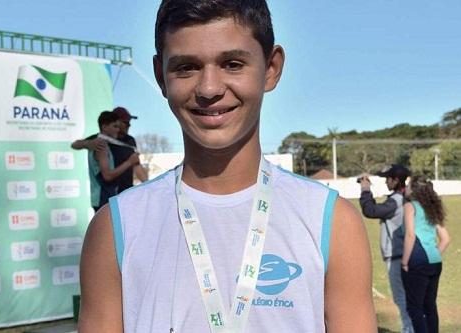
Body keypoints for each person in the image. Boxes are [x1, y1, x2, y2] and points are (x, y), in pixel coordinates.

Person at [79, 1, 377, 332]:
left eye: (232, 64)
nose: (209, 88)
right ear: (160, 76)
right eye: (186, 67)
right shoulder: (114, 227)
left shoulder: (333, 222)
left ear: (271, 68)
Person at [359, 164, 414, 333]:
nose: (386, 182)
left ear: (396, 180)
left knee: (401, 298)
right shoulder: (404, 199)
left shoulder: (395, 201)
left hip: (396, 256)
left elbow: (370, 210)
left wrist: (366, 190)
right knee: (411, 298)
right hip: (407, 254)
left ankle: (409, 329)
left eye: (388, 179)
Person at [401, 175, 450, 333]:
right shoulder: (431, 208)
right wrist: (434, 255)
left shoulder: (410, 206)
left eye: (408, 185)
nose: (406, 188)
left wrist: (404, 262)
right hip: (435, 262)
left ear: (414, 189)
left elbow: (410, 235)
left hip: (417, 261)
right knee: (430, 306)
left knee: (415, 308)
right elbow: (446, 239)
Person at [71, 106, 147, 191]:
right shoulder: (101, 140)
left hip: (126, 192)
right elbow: (75, 144)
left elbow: (136, 165)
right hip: (107, 195)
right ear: (117, 121)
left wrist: (148, 185)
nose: (129, 125)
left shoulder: (130, 140)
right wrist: (89, 143)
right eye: (126, 122)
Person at [88, 111, 140, 212]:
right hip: (103, 199)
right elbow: (107, 176)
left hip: (106, 198)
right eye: (115, 126)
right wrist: (129, 162)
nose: (118, 129)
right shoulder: (101, 146)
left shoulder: (101, 143)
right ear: (104, 127)